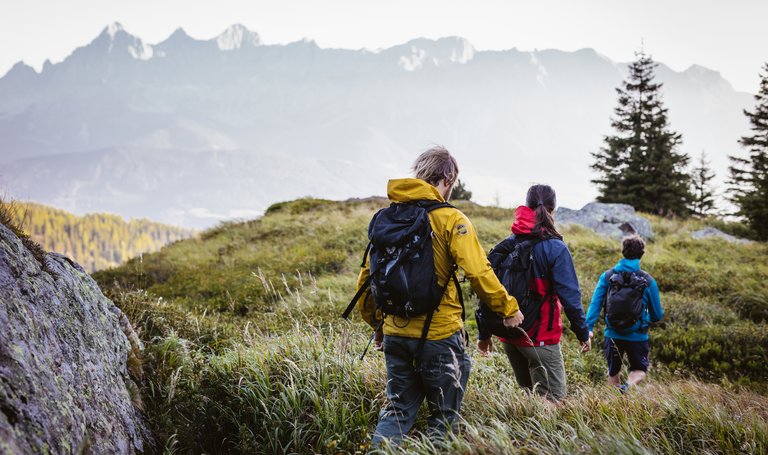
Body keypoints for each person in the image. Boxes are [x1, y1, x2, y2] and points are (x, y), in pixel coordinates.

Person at [356, 146, 523, 445]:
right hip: (440, 336)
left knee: (396, 412)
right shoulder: (451, 219)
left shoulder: (386, 217)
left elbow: (367, 281)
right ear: (447, 178)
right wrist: (508, 307)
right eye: (453, 184)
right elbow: (478, 272)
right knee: (444, 419)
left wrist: (379, 326)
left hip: (395, 333)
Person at [477, 184, 591, 402]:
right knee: (553, 400)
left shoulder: (508, 243)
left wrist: (484, 335)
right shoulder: (555, 248)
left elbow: (486, 290)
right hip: (540, 339)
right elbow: (571, 299)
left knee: (529, 397)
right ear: (553, 209)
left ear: (527, 206)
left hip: (510, 336)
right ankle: (542, 437)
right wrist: (583, 333)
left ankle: (518, 436)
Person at [585, 235, 663, 392]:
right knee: (639, 371)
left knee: (613, 372)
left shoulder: (607, 276)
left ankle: (613, 407)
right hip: (638, 335)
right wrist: (645, 319)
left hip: (612, 334)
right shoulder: (648, 280)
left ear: (623, 252)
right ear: (641, 254)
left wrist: (588, 328)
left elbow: (595, 304)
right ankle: (627, 387)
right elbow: (657, 315)